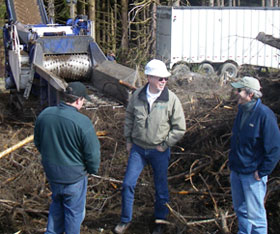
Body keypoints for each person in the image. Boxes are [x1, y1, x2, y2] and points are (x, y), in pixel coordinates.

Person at [114, 59, 186, 234]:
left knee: (161, 188)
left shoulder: (171, 99)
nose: (164, 82)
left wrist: (165, 144)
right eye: (160, 78)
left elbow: (180, 128)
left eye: (165, 79)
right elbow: (130, 118)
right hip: (138, 149)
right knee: (127, 184)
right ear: (149, 77)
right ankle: (125, 220)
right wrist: (129, 141)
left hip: (158, 151)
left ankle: (160, 221)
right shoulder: (137, 96)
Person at [34, 82, 101, 234]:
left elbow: (38, 142)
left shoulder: (45, 114)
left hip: (53, 174)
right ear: (78, 100)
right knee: (74, 214)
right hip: (74, 178)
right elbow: (93, 154)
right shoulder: (82, 122)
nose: (83, 104)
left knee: (57, 205)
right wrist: (91, 170)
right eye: (83, 100)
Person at [229, 76, 280, 234]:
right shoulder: (242, 111)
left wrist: (262, 172)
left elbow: (274, 148)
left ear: (250, 94)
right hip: (237, 171)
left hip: (253, 175)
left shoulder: (264, 115)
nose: (236, 93)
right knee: (241, 211)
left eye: (239, 90)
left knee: (256, 217)